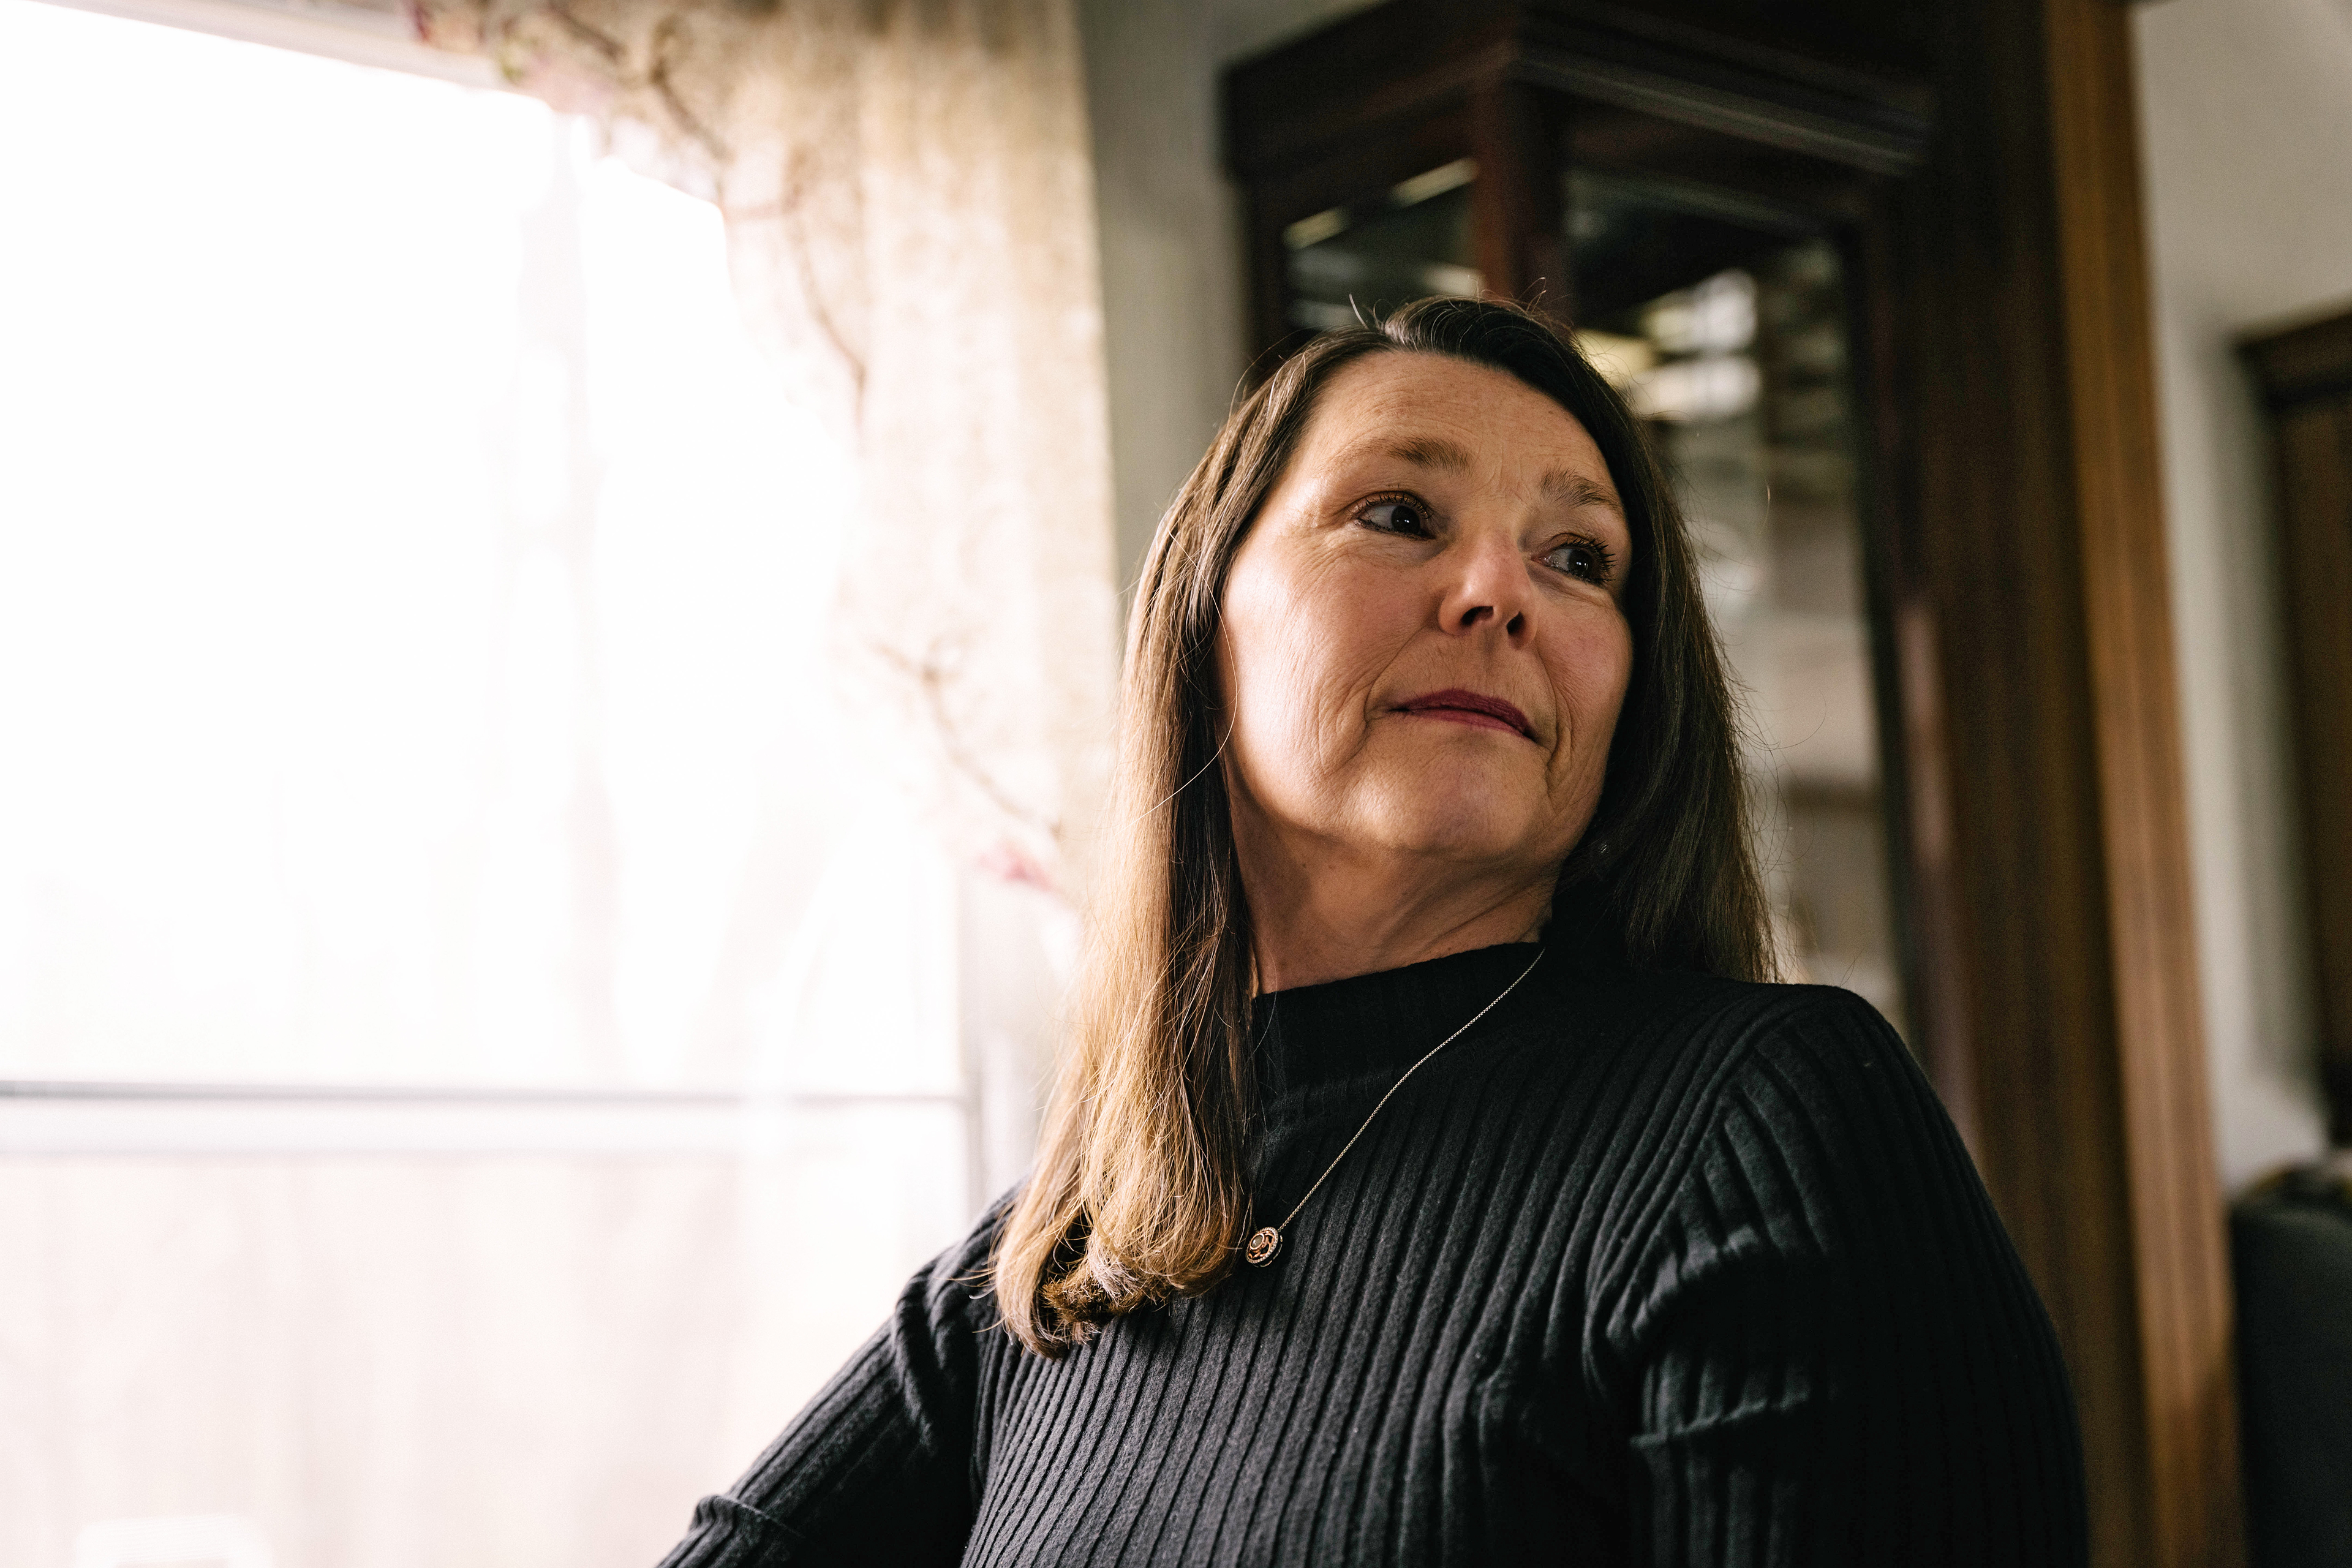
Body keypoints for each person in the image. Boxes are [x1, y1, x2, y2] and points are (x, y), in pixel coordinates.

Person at [656, 297, 2087, 1566]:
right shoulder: (1070, 1251)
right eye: (1401, 514)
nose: (1498, 592)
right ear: (1204, 616)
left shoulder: (1771, 1115)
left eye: (1580, 557)